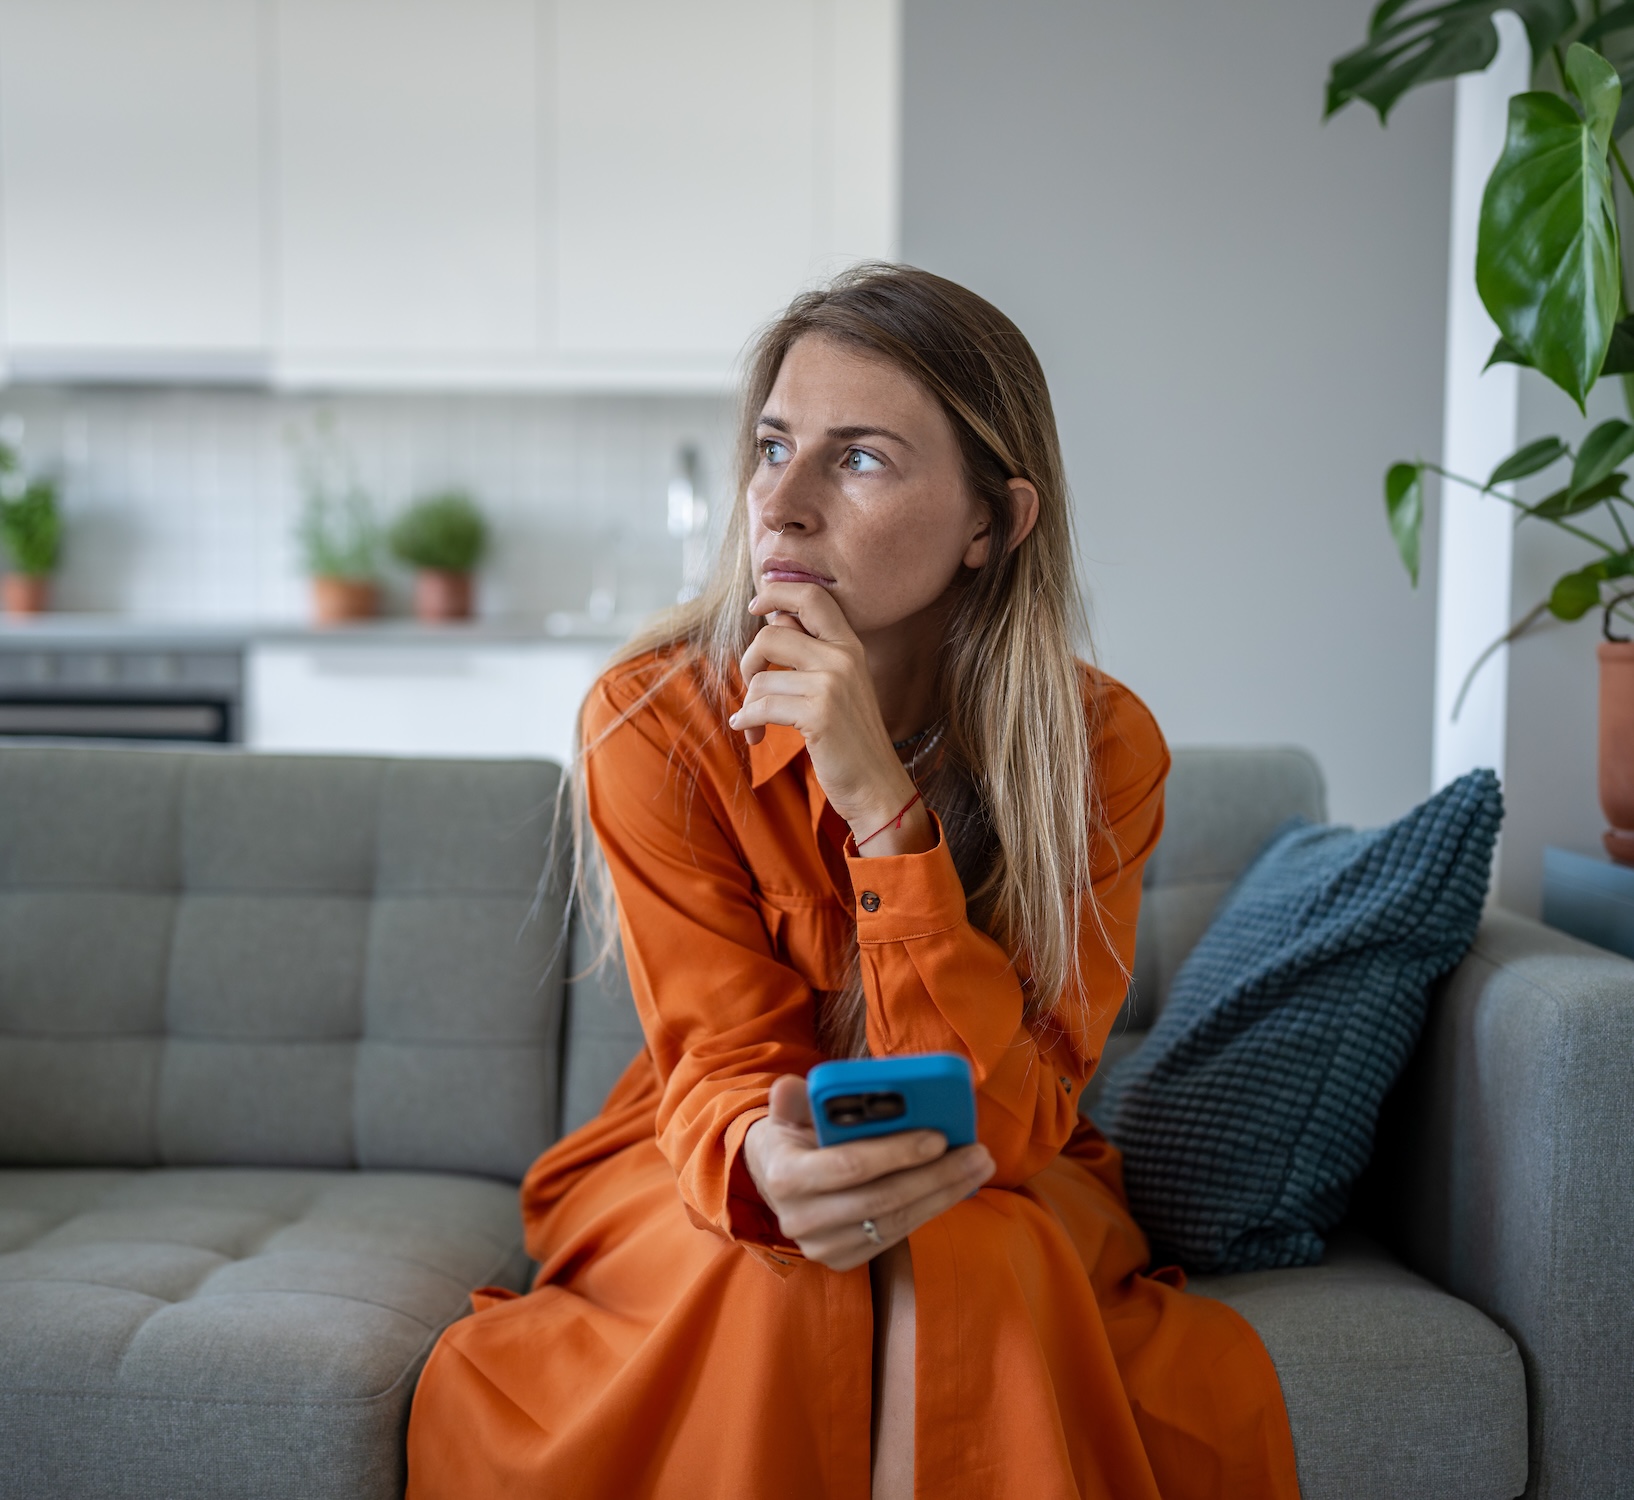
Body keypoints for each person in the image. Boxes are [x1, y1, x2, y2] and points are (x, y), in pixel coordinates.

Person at [405, 265, 1300, 1499]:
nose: (779, 502)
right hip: (701, 1158)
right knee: (781, 1268)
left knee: (962, 1251)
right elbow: (719, 1069)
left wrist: (884, 812)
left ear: (994, 521)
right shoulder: (656, 719)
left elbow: (1011, 1116)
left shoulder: (1099, 749)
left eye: (860, 458)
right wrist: (772, 1177)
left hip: (1001, 1169)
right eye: (773, 445)